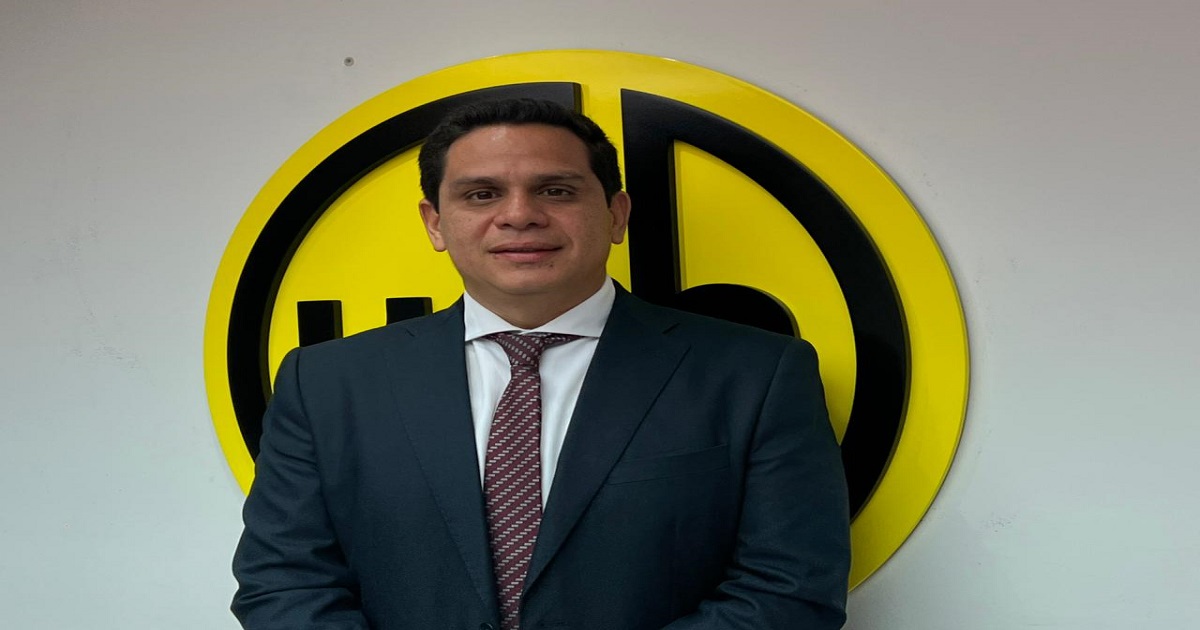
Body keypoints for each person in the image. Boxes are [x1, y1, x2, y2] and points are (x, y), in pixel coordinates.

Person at [232, 98, 850, 630]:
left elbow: (788, 590)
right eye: (481, 194)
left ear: (616, 214)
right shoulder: (326, 383)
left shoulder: (757, 375)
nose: (519, 214)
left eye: (556, 190)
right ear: (435, 223)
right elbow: (284, 581)